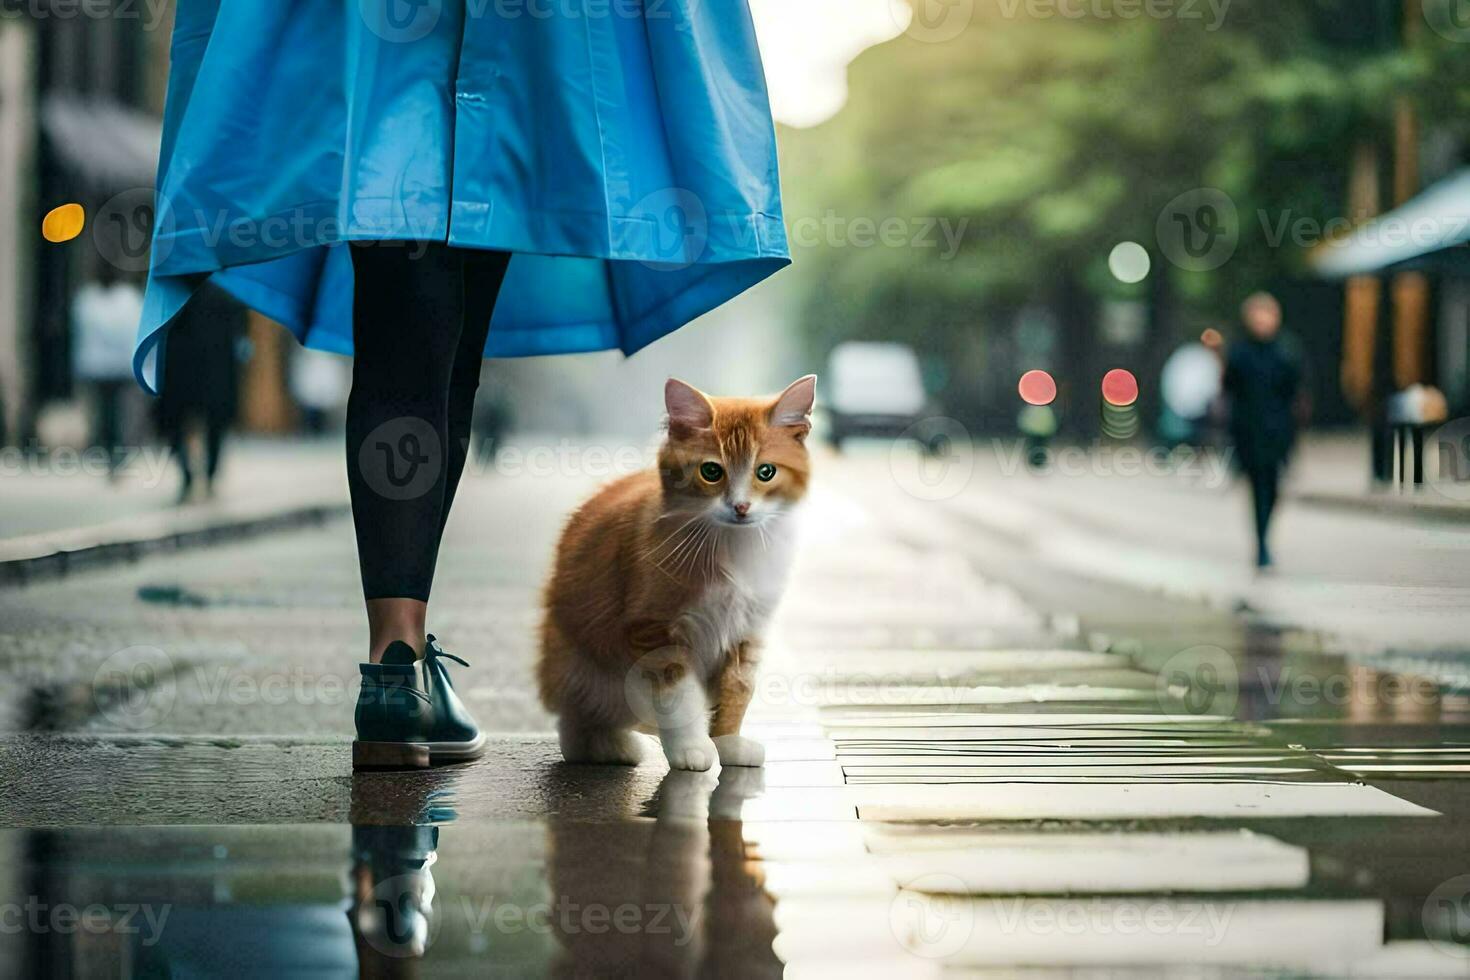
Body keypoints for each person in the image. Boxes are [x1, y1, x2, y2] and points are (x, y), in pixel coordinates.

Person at [134, 5, 789, 769]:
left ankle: (395, 663)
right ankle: (398, 667)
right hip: (521, 42)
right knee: (451, 341)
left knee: (402, 335)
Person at [1223, 292, 1302, 570]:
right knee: (1258, 488)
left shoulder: (1286, 350)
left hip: (1278, 431)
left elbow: (1296, 389)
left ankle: (1265, 538)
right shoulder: (1240, 352)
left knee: (1274, 488)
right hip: (1249, 432)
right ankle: (1262, 545)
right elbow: (1229, 388)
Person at [156, 283, 247, 502]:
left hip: (183, 372)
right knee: (212, 425)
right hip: (209, 372)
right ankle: (205, 476)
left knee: (178, 424)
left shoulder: (175, 294)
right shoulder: (228, 294)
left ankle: (193, 475)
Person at [72, 266, 143, 480]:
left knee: (117, 414)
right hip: (100, 366)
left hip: (115, 367)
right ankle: (108, 452)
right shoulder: (91, 299)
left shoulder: (125, 299)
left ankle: (115, 453)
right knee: (105, 414)